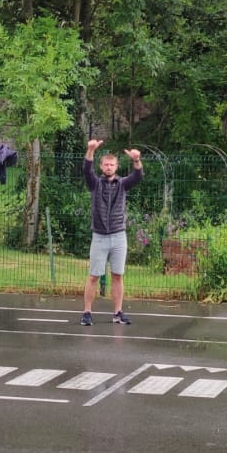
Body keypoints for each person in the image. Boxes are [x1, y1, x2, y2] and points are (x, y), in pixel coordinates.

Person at [80, 138, 142, 326]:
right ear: (101, 166)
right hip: (99, 237)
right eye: (106, 164)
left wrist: (136, 160)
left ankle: (118, 313)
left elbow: (138, 176)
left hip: (118, 236)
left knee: (117, 275)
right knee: (94, 276)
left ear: (116, 167)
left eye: (112, 164)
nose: (109, 167)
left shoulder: (122, 184)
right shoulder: (95, 184)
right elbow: (86, 170)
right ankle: (87, 313)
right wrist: (91, 150)